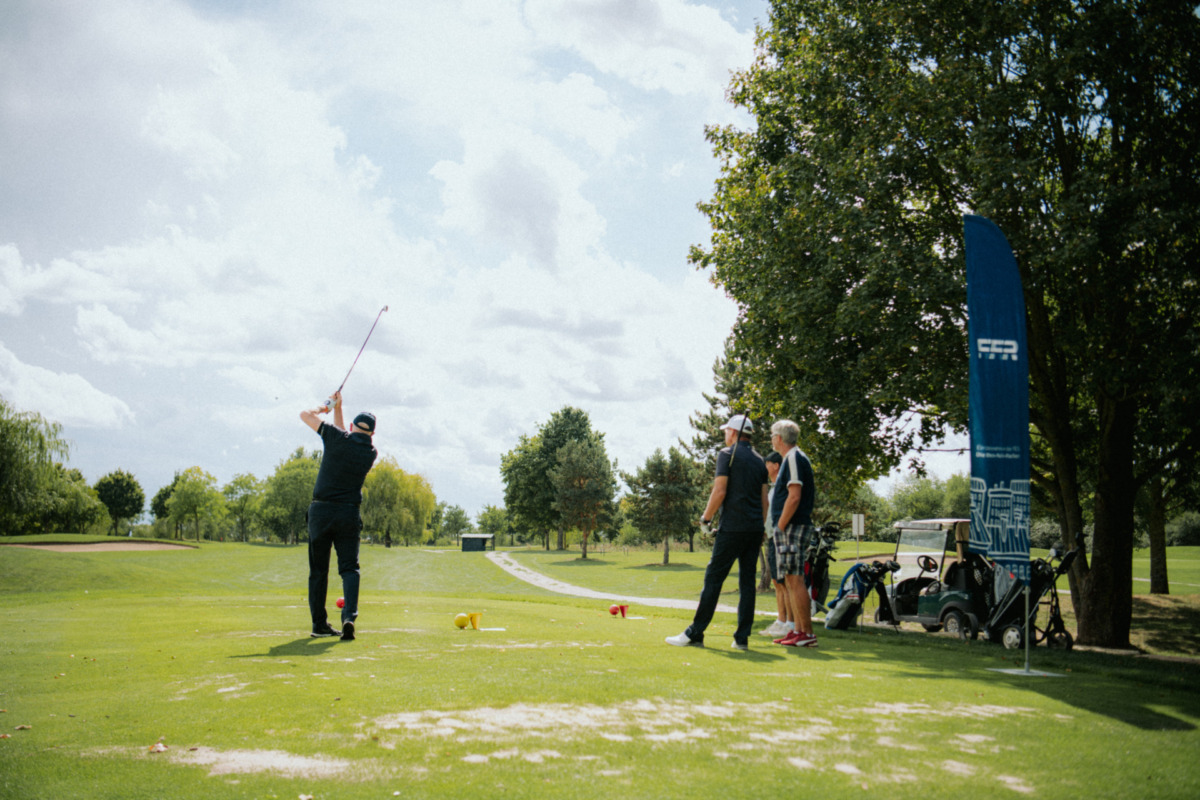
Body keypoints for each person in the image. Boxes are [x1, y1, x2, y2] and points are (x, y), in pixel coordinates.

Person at [666, 414, 768, 651]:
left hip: (732, 528)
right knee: (747, 583)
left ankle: (695, 632)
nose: (725, 435)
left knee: (713, 579)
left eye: (726, 431)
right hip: (754, 530)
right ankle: (741, 639)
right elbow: (765, 500)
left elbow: (719, 490)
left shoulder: (726, 454)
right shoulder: (760, 460)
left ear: (733, 432)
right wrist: (762, 527)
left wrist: (706, 518)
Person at [300, 391, 377, 641]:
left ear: (353, 426)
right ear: (372, 434)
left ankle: (319, 624)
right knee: (349, 568)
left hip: (321, 512)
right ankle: (348, 618)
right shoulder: (370, 453)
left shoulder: (335, 438)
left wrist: (326, 406)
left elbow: (305, 415)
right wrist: (338, 409)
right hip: (347, 514)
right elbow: (345, 434)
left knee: (318, 570)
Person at [768, 419, 818, 647]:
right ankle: (798, 630)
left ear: (779, 438)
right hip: (790, 526)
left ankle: (806, 634)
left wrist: (780, 525)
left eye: (771, 436)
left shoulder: (794, 458)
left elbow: (794, 495)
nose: (771, 440)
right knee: (790, 578)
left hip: (792, 526)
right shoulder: (792, 458)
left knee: (795, 579)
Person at [759, 451, 795, 639]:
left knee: (784, 582)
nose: (765, 468)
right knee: (776, 582)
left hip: (781, 538)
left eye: (767, 464)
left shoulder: (782, 488)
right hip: (771, 538)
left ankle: (790, 623)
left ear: (775, 465)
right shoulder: (774, 488)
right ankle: (781, 620)